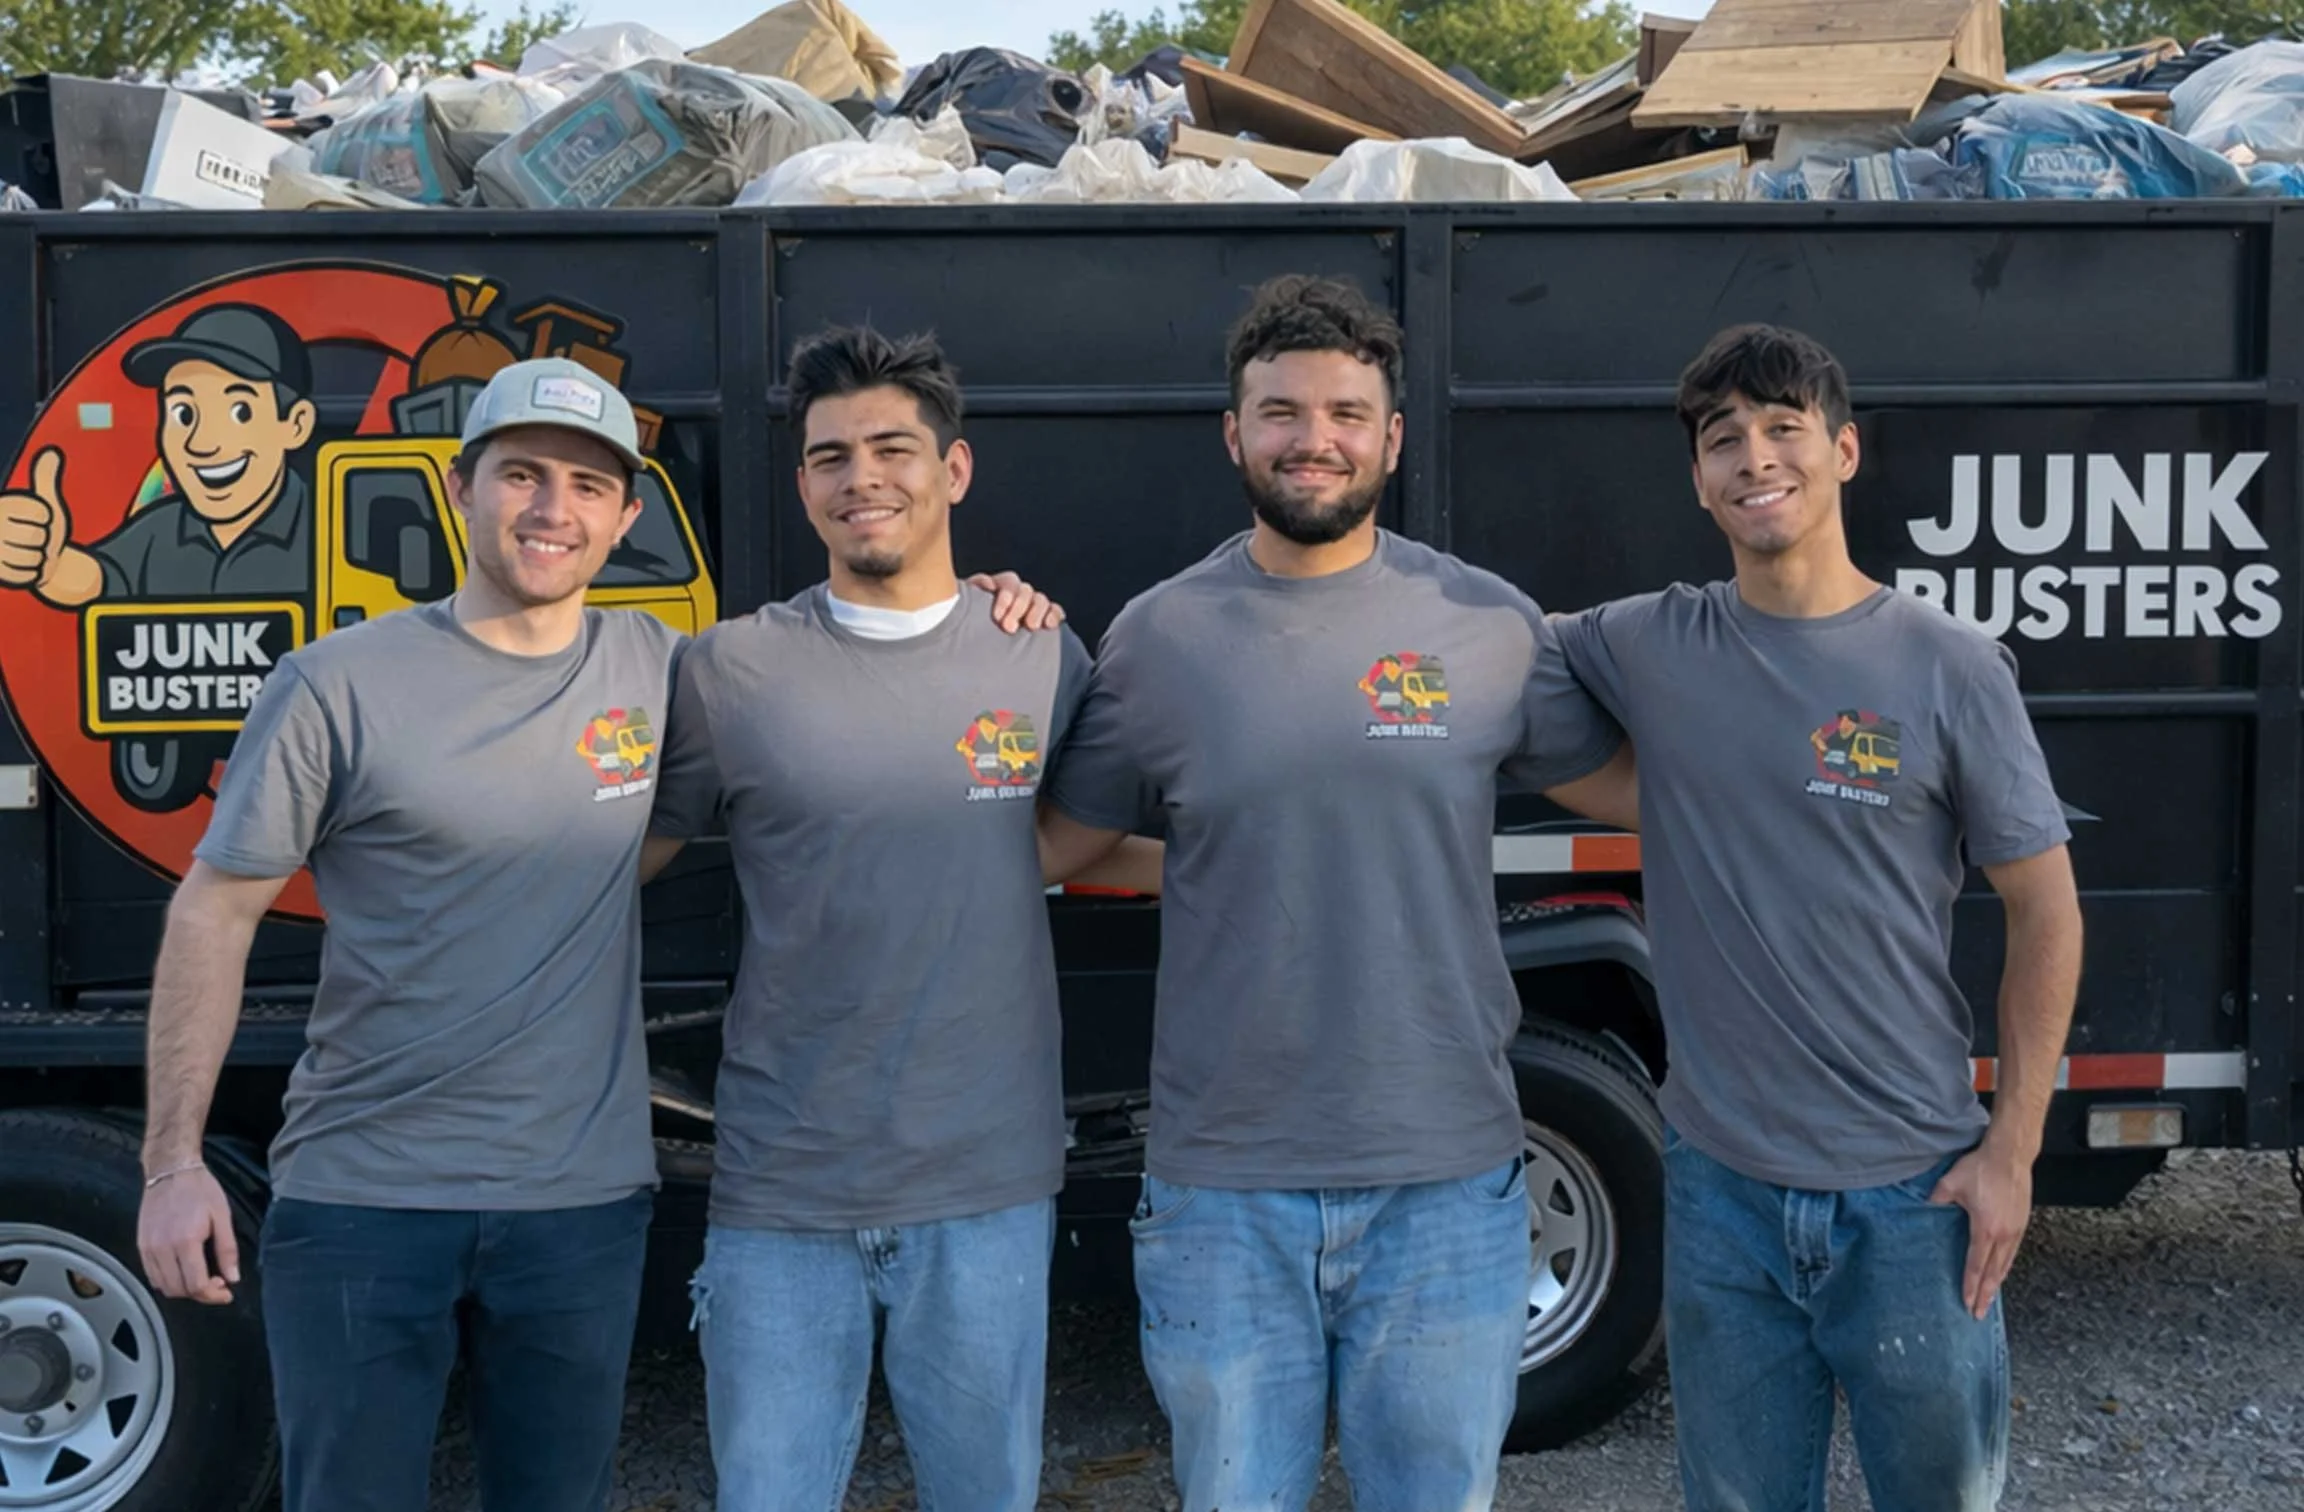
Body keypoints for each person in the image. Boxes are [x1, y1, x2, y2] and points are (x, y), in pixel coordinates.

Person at [132, 354, 1062, 1512]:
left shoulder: (668, 672)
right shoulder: (337, 686)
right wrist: (171, 1161)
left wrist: (989, 609)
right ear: (461, 488)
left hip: (577, 1209)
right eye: (521, 474)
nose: (551, 509)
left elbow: (871, 686)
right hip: (363, 1196)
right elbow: (213, 909)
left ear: (625, 517)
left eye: (587, 485)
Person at [1036, 274, 1638, 1512]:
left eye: (1347, 414)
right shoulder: (1156, 639)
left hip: (1448, 1183)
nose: (1314, 439)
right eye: (1282, 412)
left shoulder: (1483, 623)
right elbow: (1062, 846)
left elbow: (1645, 795)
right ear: (1234, 433)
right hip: (1223, 1192)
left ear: (1392, 437)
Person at [1547, 323, 2085, 1512]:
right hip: (1719, 1190)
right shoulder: (1649, 640)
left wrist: (2010, 1153)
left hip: (1913, 1198)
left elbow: (2046, 912)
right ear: (1699, 480)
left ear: (1844, 451)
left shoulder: (1949, 666)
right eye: (1723, 438)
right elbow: (1473, 662)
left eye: (1783, 428)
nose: (1755, 457)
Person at [641, 324, 1156, 1512]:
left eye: (891, 449)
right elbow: (613, 857)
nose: (861, 477)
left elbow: (1063, 844)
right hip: (782, 1190)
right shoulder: (728, 672)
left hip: (984, 1185)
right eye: (830, 456)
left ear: (953, 469)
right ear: (802, 483)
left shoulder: (1044, 657)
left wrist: (1245, 867)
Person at [0, 304, 320, 607]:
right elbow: (96, 577)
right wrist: (40, 558)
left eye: (240, 412)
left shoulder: (327, 529)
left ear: (296, 424)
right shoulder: (160, 531)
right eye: (183, 414)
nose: (201, 444)